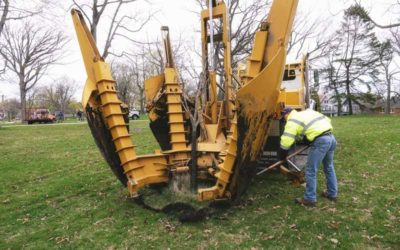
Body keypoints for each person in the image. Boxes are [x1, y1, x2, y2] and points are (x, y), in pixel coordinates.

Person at [280, 107, 338, 207]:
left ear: (286, 114)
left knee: (311, 170)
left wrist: (282, 155)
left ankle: (310, 199)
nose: (284, 120)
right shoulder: (307, 113)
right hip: (331, 138)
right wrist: (309, 137)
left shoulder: (292, 119)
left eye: (283, 117)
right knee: (329, 167)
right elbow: (326, 120)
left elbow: (286, 141)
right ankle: (332, 194)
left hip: (321, 141)